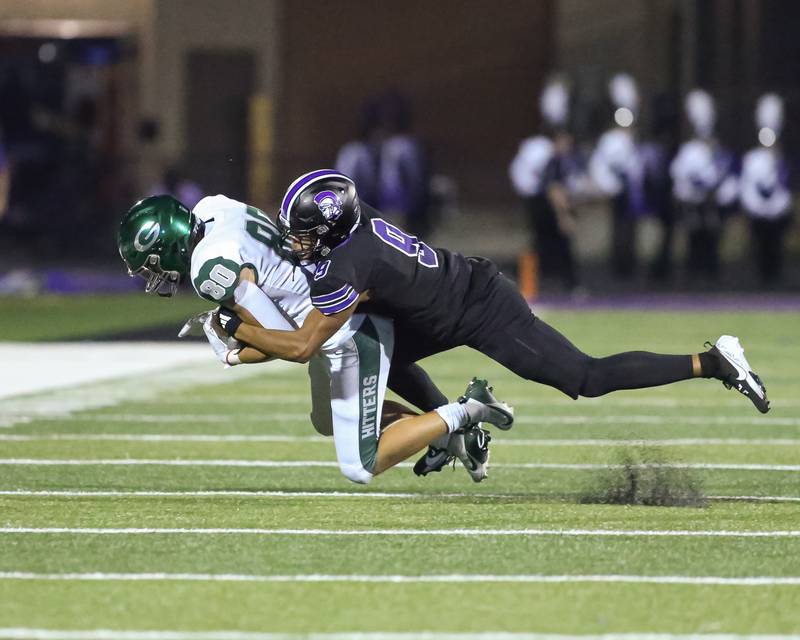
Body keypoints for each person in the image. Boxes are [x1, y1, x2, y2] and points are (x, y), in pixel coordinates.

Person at [211, 167, 770, 471]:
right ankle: (450, 428)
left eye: (305, 233)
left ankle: (713, 362)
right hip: (439, 304)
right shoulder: (354, 233)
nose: (296, 242)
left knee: (584, 377)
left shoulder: (347, 262)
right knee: (380, 352)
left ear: (332, 230)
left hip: (479, 307)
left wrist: (238, 329)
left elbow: (305, 345)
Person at [117, 194, 511, 485]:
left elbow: (288, 344)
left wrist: (232, 341)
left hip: (339, 329)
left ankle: (467, 412)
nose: (152, 274)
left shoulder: (209, 268)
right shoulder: (211, 207)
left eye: (150, 263)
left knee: (359, 464)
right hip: (325, 302)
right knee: (327, 420)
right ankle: (449, 431)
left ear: (166, 244)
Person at [510, 76, 580, 293]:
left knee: (542, 244)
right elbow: (552, 188)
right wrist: (564, 215)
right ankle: (564, 285)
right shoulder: (548, 155)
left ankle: (531, 282)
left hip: (539, 200)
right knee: (552, 244)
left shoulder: (546, 152)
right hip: (542, 202)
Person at [670, 90, 737, 281]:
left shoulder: (718, 152)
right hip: (694, 203)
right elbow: (681, 176)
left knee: (713, 237)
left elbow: (725, 176)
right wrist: (694, 190)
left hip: (712, 203)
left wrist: (719, 192)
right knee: (694, 237)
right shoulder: (689, 151)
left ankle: (711, 274)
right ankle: (694, 274)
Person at [740, 94, 793, 285]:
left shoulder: (781, 160)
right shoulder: (752, 158)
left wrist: (776, 208)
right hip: (759, 213)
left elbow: (784, 187)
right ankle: (760, 278)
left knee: (775, 248)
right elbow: (748, 186)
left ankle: (774, 278)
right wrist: (758, 207)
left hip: (775, 214)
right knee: (759, 247)